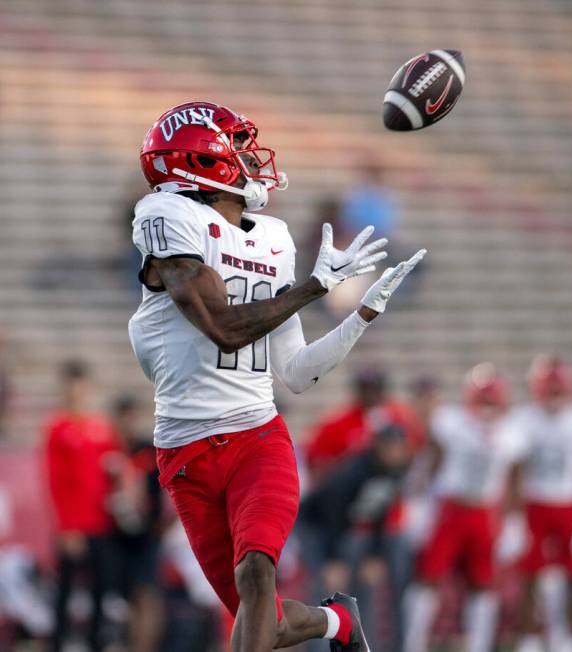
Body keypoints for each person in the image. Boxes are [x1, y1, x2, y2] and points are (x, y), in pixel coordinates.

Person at [128, 100, 426, 652]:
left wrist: (360, 317)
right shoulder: (167, 215)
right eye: (236, 148)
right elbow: (222, 326)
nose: (249, 159)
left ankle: (332, 622)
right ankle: (337, 622)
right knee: (264, 619)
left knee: (257, 574)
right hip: (186, 452)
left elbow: (293, 371)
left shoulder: (274, 236)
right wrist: (313, 288)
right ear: (200, 162)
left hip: (257, 438)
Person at [403, 363, 524, 652]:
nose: (487, 410)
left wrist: (515, 519)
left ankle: (479, 646)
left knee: (483, 584)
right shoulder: (451, 423)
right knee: (428, 578)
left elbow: (514, 477)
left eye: (492, 403)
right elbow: (428, 463)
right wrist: (417, 502)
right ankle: (412, 644)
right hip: (451, 509)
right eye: (483, 402)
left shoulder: (512, 434)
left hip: (484, 512)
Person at [300, 423, 413, 652]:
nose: (393, 452)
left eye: (397, 447)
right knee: (326, 591)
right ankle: (317, 649)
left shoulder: (394, 471)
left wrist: (375, 554)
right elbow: (330, 511)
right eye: (388, 446)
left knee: (361, 590)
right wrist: (332, 560)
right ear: (378, 447)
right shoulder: (356, 470)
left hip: (344, 528)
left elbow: (381, 511)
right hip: (316, 527)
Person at [511, 356, 572, 652]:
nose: (553, 398)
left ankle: (568, 637)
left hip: (570, 503)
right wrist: (512, 516)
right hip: (535, 503)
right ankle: (530, 637)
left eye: (558, 391)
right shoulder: (525, 420)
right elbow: (515, 468)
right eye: (549, 391)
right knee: (530, 574)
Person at [43, 360, 122, 652]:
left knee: (101, 589)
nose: (77, 393)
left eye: (81, 387)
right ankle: (58, 642)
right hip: (74, 524)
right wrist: (65, 527)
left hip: (101, 521)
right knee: (65, 589)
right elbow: (54, 481)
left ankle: (96, 642)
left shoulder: (100, 428)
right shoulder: (58, 427)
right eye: (71, 388)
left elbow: (115, 469)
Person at [107, 395, 164, 652]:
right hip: (116, 535)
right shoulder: (108, 451)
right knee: (127, 599)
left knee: (147, 596)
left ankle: (145, 647)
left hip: (146, 535)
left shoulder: (147, 451)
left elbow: (162, 490)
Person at [306, 366, 425, 483]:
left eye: (375, 388)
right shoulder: (338, 422)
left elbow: (416, 449)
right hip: (350, 487)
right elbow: (316, 458)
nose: (370, 394)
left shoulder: (399, 415)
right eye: (365, 388)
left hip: (393, 482)